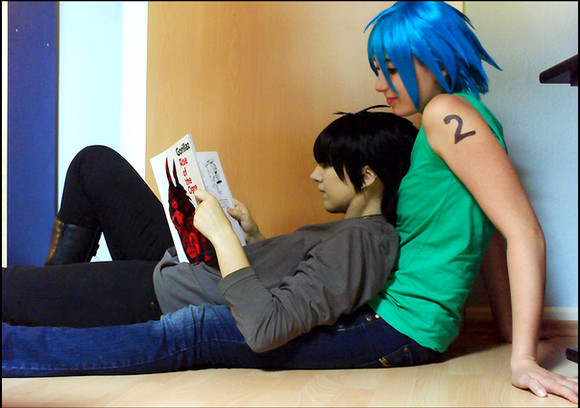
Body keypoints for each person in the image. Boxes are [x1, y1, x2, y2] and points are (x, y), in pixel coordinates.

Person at [4, 107, 437, 376]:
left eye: (326, 165)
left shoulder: (363, 243)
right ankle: (58, 292)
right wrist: (254, 238)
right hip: (183, 268)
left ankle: (53, 299)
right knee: (95, 164)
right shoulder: (354, 234)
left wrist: (224, 238)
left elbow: (267, 327)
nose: (314, 175)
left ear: (366, 176)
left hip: (162, 294)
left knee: (9, 289)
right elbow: (296, 282)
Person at [364, 1, 577, 403]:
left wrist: (524, 360)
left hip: (399, 325)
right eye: (378, 70)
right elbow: (488, 233)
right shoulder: (459, 116)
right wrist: (510, 328)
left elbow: (524, 232)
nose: (379, 85)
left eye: (392, 69)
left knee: (233, 334)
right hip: (398, 318)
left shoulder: (445, 114)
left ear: (440, 63)